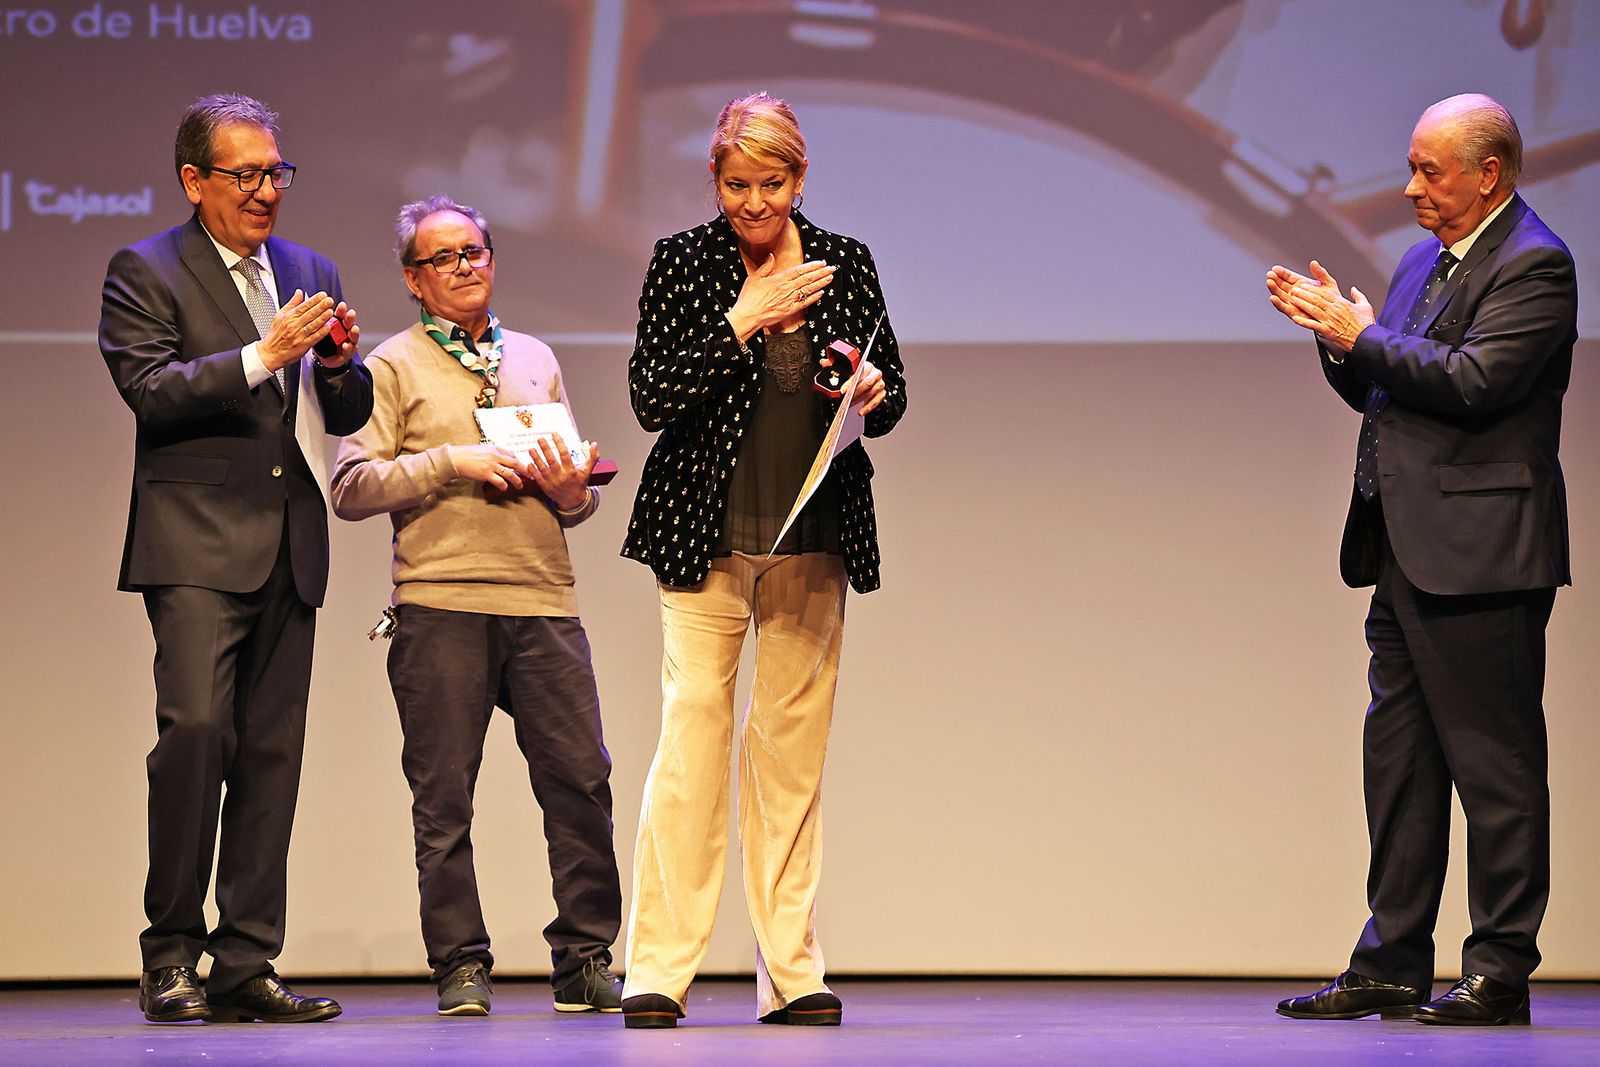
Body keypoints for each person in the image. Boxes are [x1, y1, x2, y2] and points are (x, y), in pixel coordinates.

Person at [1267, 93, 1575, 1027]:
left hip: (1483, 556)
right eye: (1410, 167)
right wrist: (1341, 341)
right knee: (1398, 766)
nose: (1410, 189)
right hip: (1404, 549)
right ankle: (1392, 959)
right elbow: (1386, 385)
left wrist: (1365, 336)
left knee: (1496, 767)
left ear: (1489, 174)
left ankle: (1500, 968)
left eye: (1428, 171)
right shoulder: (1419, 264)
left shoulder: (1537, 264)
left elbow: (1477, 383)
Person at [618, 92, 907, 1030]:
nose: (753, 203)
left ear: (800, 177)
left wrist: (871, 384)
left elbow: (890, 392)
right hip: (703, 536)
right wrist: (742, 319)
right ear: (714, 178)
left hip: (812, 537)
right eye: (737, 184)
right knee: (691, 750)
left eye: (771, 185)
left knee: (790, 761)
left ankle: (791, 971)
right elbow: (651, 396)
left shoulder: (846, 262)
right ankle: (658, 970)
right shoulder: (684, 261)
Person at [98, 93, 371, 1024]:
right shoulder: (145, 269)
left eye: (276, 173)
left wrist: (336, 363)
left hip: (290, 541)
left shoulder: (308, 268)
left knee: (270, 757)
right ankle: (168, 953)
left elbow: (344, 411)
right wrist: (265, 353)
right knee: (197, 738)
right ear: (194, 180)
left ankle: (246, 961)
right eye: (245, 175)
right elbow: (151, 390)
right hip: (196, 545)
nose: (266, 193)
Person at [329, 196, 623, 1018]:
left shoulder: (533, 356)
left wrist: (573, 490)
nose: (465, 267)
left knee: (580, 782)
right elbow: (350, 486)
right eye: (444, 257)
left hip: (543, 598)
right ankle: (461, 963)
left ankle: (586, 958)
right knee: (445, 798)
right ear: (414, 281)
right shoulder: (389, 365)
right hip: (440, 604)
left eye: (476, 251)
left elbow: (573, 500)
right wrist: (453, 460)